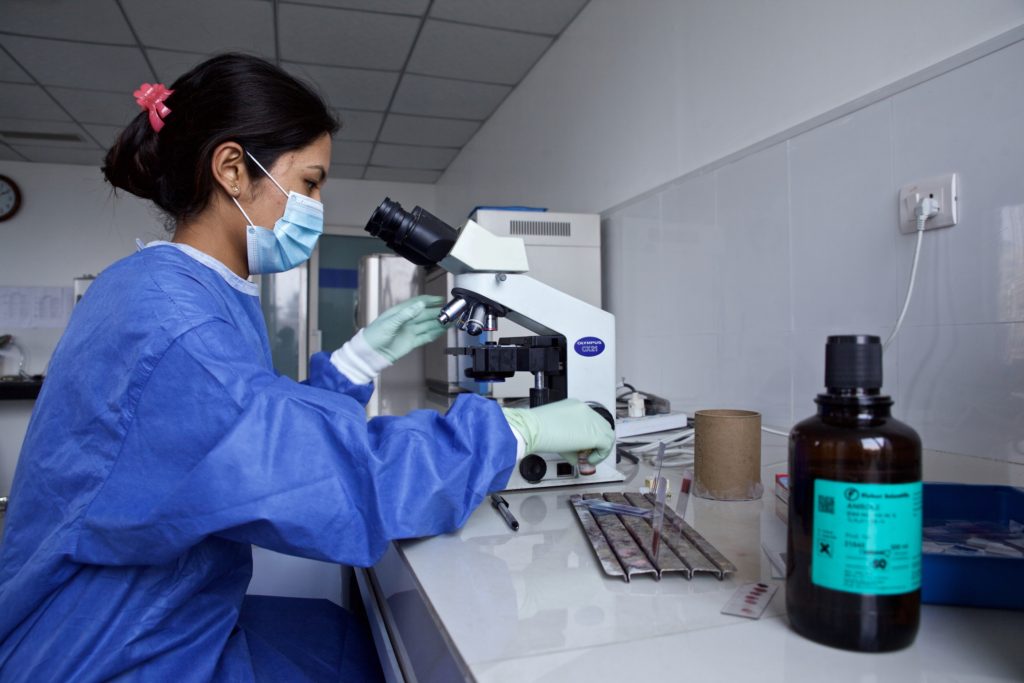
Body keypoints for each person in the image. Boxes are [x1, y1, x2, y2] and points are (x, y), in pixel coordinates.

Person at [0, 54, 614, 681]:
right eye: (312, 183)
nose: (317, 206)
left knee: (347, 633)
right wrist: (513, 433)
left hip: (169, 609)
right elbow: (312, 471)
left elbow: (245, 431)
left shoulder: (174, 289)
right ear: (234, 170)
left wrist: (355, 361)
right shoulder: (171, 319)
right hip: (112, 649)